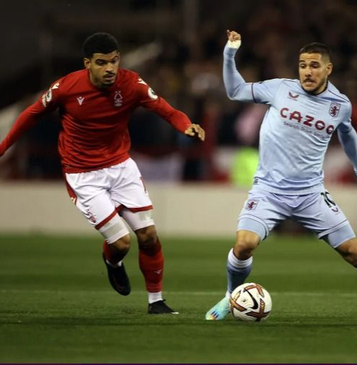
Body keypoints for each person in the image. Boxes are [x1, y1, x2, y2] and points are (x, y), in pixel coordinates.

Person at [204, 30, 357, 324]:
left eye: (314, 65)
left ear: (328, 69)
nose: (307, 72)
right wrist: (230, 53)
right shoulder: (280, 89)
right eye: (302, 65)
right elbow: (235, 91)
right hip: (268, 191)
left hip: (310, 194)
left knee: (353, 251)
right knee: (244, 244)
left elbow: (348, 133)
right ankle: (231, 297)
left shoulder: (340, 105)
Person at [0, 32, 205, 314]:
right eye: (102, 63)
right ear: (88, 64)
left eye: (114, 61)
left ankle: (156, 302)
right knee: (121, 242)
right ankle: (113, 262)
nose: (110, 68)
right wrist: (3, 148)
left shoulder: (132, 83)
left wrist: (186, 125)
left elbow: (166, 110)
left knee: (148, 236)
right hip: (83, 175)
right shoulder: (66, 87)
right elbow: (31, 114)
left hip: (121, 167)